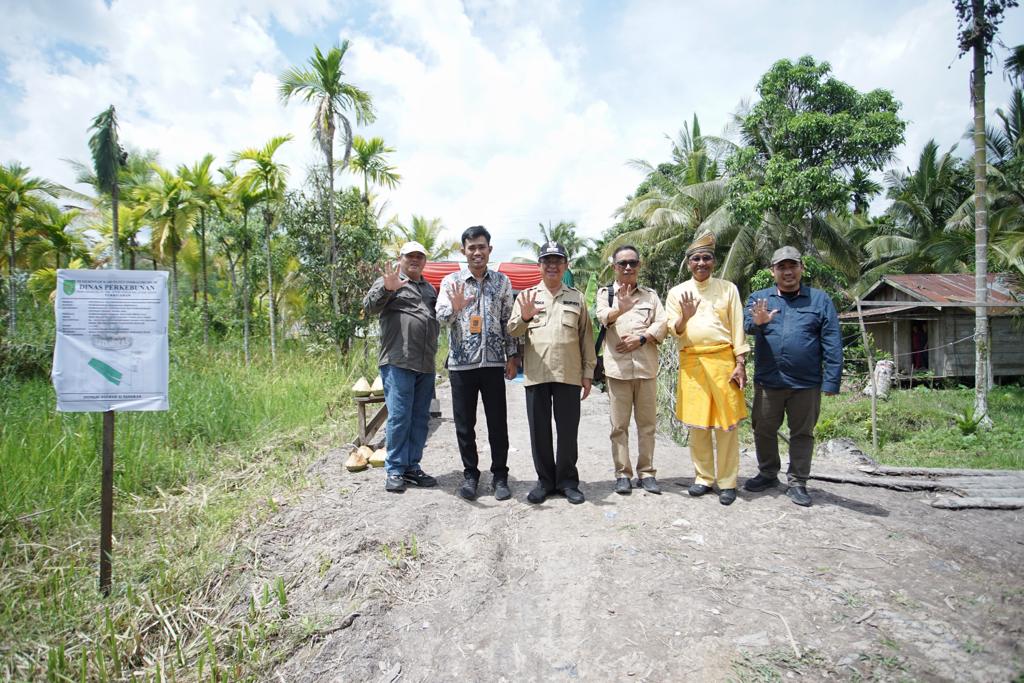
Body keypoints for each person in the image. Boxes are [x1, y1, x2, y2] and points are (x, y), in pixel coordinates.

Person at [743, 246, 842, 507]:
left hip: (806, 383)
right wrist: (760, 322)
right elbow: (747, 326)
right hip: (768, 381)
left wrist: (832, 379)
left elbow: (832, 341)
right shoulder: (759, 298)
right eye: (782, 267)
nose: (788, 272)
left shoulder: (820, 300)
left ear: (801, 268)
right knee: (763, 428)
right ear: (772, 271)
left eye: (793, 266)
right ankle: (767, 473)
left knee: (802, 433)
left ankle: (798, 481)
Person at [508, 241, 596, 505]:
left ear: (565, 266)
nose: (552, 266)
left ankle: (568, 481)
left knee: (568, 431)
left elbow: (586, 338)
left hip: (569, 374)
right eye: (547, 261)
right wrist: (523, 317)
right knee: (540, 431)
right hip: (536, 375)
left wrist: (588, 372)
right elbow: (512, 331)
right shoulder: (526, 297)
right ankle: (545, 481)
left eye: (558, 261)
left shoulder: (576, 297)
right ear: (539, 266)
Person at [435, 226, 519, 502]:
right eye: (471, 247)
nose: (477, 252)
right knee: (464, 424)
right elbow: (441, 317)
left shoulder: (502, 282)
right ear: (464, 251)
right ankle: (470, 474)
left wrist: (512, 355)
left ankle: (500, 475)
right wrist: (455, 307)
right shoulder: (451, 282)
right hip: (461, 364)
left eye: (482, 247)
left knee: (498, 423)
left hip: (493, 363)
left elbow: (509, 322)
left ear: (489, 250)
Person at [665, 232, 749, 506]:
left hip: (724, 362)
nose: (701, 263)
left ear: (714, 261)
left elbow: (738, 327)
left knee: (726, 426)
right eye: (696, 259)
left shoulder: (728, 289)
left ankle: (727, 482)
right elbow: (673, 330)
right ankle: (703, 478)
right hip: (692, 364)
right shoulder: (677, 293)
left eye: (706, 258)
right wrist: (685, 317)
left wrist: (740, 363)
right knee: (698, 425)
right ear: (688, 263)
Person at [362, 241, 440, 493]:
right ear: (401, 258)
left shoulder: (429, 288)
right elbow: (369, 307)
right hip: (398, 361)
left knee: (419, 417)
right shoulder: (391, 280)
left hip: (425, 363)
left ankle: (411, 467)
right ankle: (394, 469)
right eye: (410, 256)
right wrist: (386, 288)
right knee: (399, 416)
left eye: (420, 256)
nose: (415, 260)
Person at [596, 245, 669, 495]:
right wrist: (621, 308)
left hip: (646, 369)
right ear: (614, 267)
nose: (628, 267)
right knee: (619, 426)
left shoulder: (651, 296)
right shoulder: (605, 294)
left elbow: (663, 323)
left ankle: (647, 472)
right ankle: (622, 474)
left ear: (639, 266)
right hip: (617, 371)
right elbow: (603, 317)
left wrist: (643, 338)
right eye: (623, 263)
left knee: (647, 425)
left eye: (633, 263)